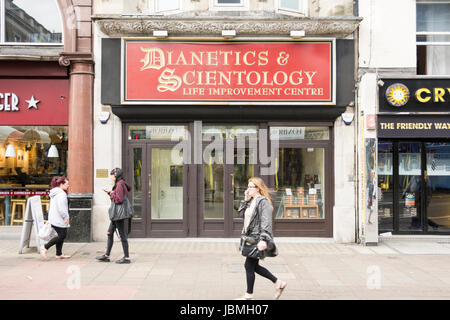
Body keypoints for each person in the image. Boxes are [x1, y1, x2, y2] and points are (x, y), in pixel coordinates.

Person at [236, 177, 287, 300]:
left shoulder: (263, 202)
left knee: (249, 265)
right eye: (247, 187)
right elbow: (240, 214)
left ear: (258, 189)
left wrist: (263, 239)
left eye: (250, 187)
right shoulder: (251, 201)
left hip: (257, 238)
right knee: (252, 266)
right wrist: (245, 200)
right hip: (250, 237)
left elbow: (266, 222)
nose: (248, 189)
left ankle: (249, 295)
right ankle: (278, 283)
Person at [96, 168, 132, 264]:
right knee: (109, 233)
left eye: (112, 175)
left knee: (122, 235)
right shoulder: (121, 183)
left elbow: (119, 199)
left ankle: (127, 257)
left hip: (118, 214)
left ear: (116, 175)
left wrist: (111, 194)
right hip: (116, 215)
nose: (110, 177)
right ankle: (107, 255)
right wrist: (110, 193)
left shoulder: (120, 184)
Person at [40, 176, 70, 260]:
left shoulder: (55, 192)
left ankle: (58, 254)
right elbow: (62, 208)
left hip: (54, 217)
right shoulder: (61, 194)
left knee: (61, 235)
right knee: (62, 235)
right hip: (59, 218)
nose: (68, 186)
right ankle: (45, 247)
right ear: (61, 184)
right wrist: (66, 217)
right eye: (67, 184)